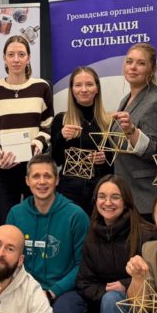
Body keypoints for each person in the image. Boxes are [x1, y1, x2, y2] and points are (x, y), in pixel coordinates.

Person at [75, 175, 156, 313]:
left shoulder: (147, 233)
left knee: (113, 299)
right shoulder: (92, 235)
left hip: (144, 307)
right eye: (102, 196)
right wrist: (107, 293)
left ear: (126, 201)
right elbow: (84, 282)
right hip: (111, 310)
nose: (108, 202)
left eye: (115, 197)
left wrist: (126, 285)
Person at [5, 155, 89, 313]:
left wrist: (52, 292)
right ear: (27, 181)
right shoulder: (16, 214)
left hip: (64, 289)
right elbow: (9, 257)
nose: (41, 182)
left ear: (57, 180)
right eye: (36, 176)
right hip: (27, 286)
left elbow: (83, 265)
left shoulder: (76, 215)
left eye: (47, 176)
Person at [0, 35, 54, 225]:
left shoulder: (41, 87)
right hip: (4, 171)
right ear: (4, 58)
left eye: (21, 54)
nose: (16, 59)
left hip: (34, 168)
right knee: (4, 223)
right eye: (11, 54)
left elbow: (48, 126)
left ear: (28, 57)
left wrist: (37, 144)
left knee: (37, 221)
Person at [111, 43, 157, 220]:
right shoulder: (127, 99)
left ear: (152, 70)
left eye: (140, 63)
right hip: (127, 192)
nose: (133, 67)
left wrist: (132, 131)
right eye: (129, 61)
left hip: (145, 196)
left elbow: (155, 151)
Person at [51, 66, 113, 215]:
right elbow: (55, 160)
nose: (84, 90)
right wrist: (61, 136)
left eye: (89, 84)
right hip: (70, 190)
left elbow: (116, 163)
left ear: (97, 89)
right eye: (78, 85)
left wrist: (104, 158)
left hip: (101, 190)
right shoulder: (61, 120)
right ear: (72, 90)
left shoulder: (108, 121)